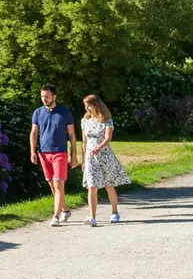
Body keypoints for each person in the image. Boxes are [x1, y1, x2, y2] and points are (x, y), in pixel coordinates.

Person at [29, 84, 79, 226]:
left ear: (54, 97)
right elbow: (33, 133)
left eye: (47, 96)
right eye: (42, 96)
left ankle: (55, 216)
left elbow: (72, 134)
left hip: (60, 152)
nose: (44, 99)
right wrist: (33, 151)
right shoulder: (37, 112)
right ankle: (65, 210)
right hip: (44, 153)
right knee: (52, 184)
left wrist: (73, 154)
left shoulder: (64, 112)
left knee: (58, 184)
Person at [80, 94, 132, 226]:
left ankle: (114, 212)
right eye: (85, 105)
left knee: (108, 185)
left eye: (89, 105)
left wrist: (99, 148)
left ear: (96, 105)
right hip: (90, 157)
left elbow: (108, 138)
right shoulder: (85, 120)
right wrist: (84, 160)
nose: (87, 108)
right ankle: (92, 217)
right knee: (92, 186)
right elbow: (84, 141)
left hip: (105, 156)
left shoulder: (106, 120)